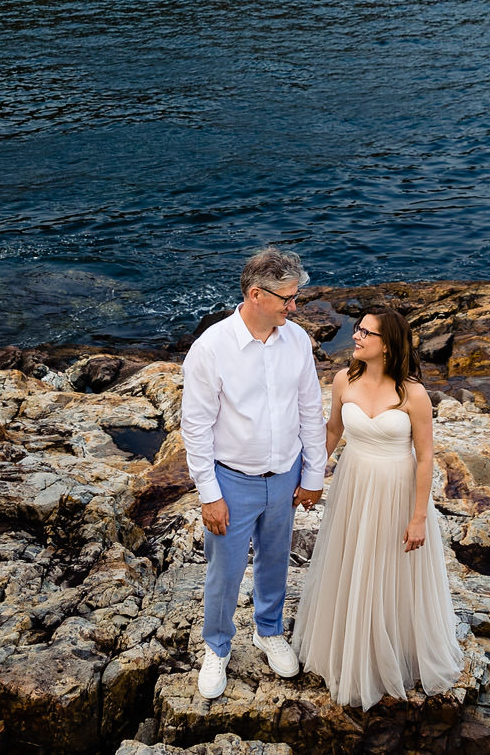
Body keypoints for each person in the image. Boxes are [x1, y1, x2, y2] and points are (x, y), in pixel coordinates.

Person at [291, 306, 463, 709]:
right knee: (353, 563)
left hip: (396, 490)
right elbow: (332, 430)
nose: (356, 337)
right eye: (357, 329)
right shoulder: (342, 380)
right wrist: (311, 478)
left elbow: (425, 458)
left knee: (390, 571)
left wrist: (419, 517)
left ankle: (394, 648)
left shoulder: (413, 394)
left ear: (387, 346)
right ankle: (352, 646)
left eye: (366, 333)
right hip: (354, 485)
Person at [181, 246, 326, 700]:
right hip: (232, 481)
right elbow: (196, 427)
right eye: (287, 298)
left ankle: (269, 631)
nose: (294, 306)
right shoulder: (211, 349)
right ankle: (217, 647)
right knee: (223, 572)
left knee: (275, 561)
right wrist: (209, 494)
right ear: (255, 295)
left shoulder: (297, 341)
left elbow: (310, 410)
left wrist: (313, 476)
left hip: (285, 476)